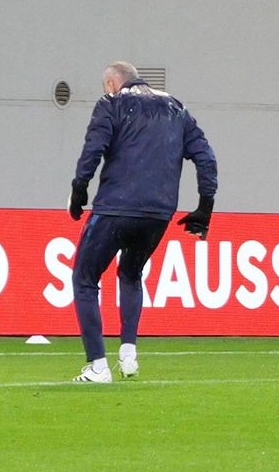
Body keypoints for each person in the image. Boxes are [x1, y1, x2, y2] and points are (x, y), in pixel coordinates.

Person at [67, 62, 218, 383]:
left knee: (84, 278)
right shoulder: (176, 107)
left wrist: (78, 192)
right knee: (131, 274)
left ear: (111, 82)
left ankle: (98, 366)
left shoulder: (112, 103)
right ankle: (128, 353)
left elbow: (93, 150)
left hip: (116, 206)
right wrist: (205, 207)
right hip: (159, 212)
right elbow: (206, 157)